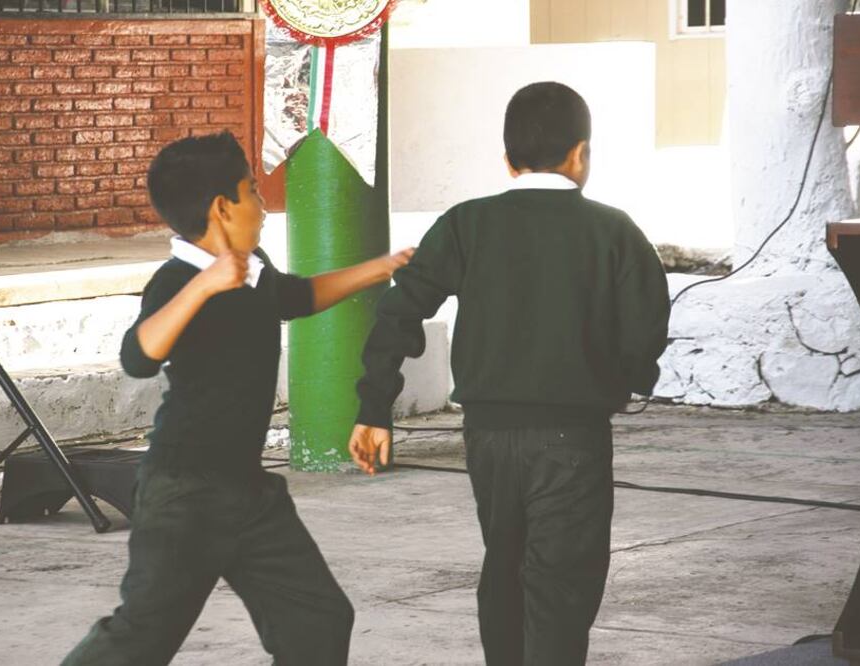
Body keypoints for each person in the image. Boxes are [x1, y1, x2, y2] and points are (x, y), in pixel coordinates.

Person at [348, 81, 671, 665]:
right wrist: (625, 380)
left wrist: (375, 408)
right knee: (560, 586)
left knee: (505, 568)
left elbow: (398, 310)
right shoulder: (614, 230)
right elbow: (646, 324)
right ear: (581, 154)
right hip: (573, 437)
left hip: (488, 439)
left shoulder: (466, 224)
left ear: (507, 159)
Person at [63, 131, 412, 666]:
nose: (264, 207)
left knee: (317, 620)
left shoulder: (254, 269)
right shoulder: (178, 279)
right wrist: (205, 287)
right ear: (223, 208)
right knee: (141, 637)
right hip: (184, 493)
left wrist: (385, 266)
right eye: (253, 191)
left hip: (249, 494)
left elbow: (298, 296)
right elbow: (139, 356)